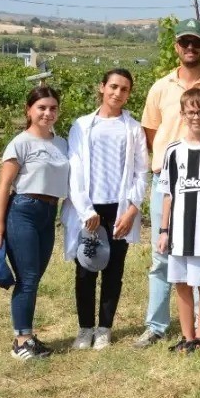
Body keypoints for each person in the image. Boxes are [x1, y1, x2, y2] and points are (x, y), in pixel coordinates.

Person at [133, 18, 200, 348]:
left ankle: (197, 332)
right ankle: (157, 326)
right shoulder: (161, 86)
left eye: (197, 42)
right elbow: (151, 133)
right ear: (176, 46)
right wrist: (168, 165)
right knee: (163, 257)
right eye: (184, 42)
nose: (190, 48)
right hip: (168, 179)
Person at [62, 69, 148, 350]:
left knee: (114, 270)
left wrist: (132, 210)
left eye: (124, 89)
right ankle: (85, 328)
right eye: (113, 87)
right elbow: (74, 170)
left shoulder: (133, 128)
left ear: (129, 93)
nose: (117, 93)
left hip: (119, 208)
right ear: (101, 88)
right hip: (89, 208)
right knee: (85, 268)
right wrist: (86, 210)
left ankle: (104, 328)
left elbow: (140, 171)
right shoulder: (83, 125)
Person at [0, 86, 69, 361]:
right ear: (29, 110)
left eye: (53, 108)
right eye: (42, 108)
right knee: (28, 278)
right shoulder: (20, 143)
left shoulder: (62, 143)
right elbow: (4, 185)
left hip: (49, 213)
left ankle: (27, 336)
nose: (48, 113)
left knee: (35, 277)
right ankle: (21, 340)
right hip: (23, 211)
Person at [156, 88, 200, 353]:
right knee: (182, 284)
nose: (196, 116)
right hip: (177, 233)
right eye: (191, 111)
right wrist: (163, 230)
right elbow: (168, 195)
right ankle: (187, 337)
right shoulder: (173, 151)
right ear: (183, 114)